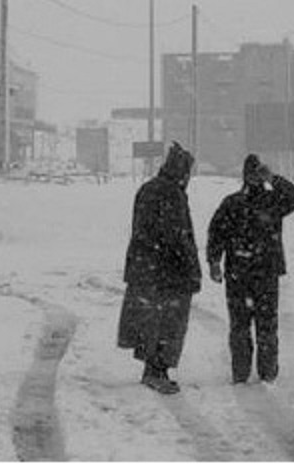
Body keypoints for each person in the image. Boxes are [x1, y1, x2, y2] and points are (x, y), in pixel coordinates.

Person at [206, 154, 294, 385]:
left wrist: (275, 179)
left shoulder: (271, 200)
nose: (255, 178)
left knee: (255, 325)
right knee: (251, 326)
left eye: (258, 173)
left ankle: (260, 372)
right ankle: (251, 373)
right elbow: (216, 233)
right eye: (253, 173)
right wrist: (214, 261)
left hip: (249, 272)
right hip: (252, 273)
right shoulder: (237, 203)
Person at [118, 141, 201, 395]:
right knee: (169, 323)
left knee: (148, 320)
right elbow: (177, 236)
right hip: (168, 272)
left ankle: (151, 368)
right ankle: (158, 370)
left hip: (145, 267)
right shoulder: (172, 194)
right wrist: (191, 267)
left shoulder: (148, 189)